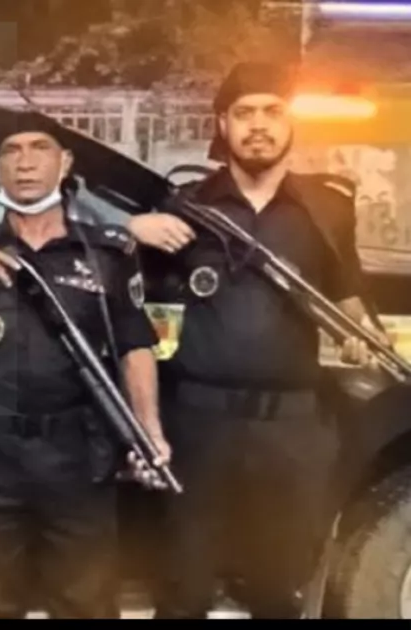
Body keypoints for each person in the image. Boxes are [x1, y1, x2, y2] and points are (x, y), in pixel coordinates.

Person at [120, 62, 390, 619]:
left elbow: (347, 294)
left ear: (290, 122)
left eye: (272, 111)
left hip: (293, 430)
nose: (258, 125)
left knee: (279, 588)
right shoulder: (187, 206)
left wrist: (361, 335)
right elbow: (122, 299)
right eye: (244, 113)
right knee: (183, 588)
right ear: (223, 123)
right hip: (199, 424)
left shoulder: (327, 209)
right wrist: (130, 230)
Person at [0, 117, 171, 619]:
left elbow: (135, 346)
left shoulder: (106, 253)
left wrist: (149, 429)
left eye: (39, 148)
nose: (25, 162)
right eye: (11, 151)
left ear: (64, 163)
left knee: (85, 601)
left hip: (78, 450)